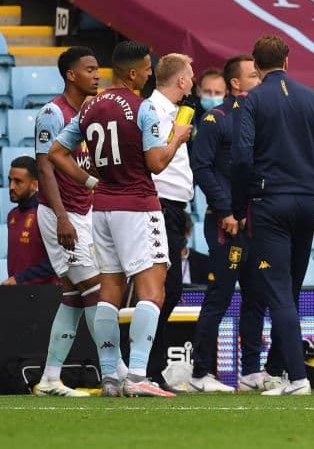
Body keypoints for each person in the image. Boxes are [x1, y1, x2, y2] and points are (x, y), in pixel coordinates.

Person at [49, 40, 192, 398]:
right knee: (152, 289)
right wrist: (176, 138)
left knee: (110, 292)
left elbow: (56, 153)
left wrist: (92, 181)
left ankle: (111, 376)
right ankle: (139, 374)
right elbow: (157, 163)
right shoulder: (142, 109)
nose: (149, 73)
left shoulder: (89, 107)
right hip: (139, 205)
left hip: (103, 208)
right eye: (146, 68)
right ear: (133, 72)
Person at [231, 35, 314, 397]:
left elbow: (242, 157)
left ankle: (297, 379)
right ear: (287, 60)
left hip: (270, 203)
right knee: (290, 290)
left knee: (278, 292)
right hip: (307, 202)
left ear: (255, 65)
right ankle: (276, 372)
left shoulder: (253, 101)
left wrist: (240, 202)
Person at [31, 47, 111, 397]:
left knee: (75, 296)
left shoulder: (92, 113)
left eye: (98, 69)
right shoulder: (53, 113)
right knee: (95, 289)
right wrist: (63, 217)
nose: (97, 75)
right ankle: (116, 371)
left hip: (86, 211)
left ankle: (50, 377)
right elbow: (45, 166)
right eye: (90, 69)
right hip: (59, 214)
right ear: (71, 75)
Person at [188, 54, 268, 393]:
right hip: (226, 224)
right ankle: (200, 375)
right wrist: (225, 210)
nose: (260, 78)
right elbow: (202, 167)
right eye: (253, 75)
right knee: (219, 296)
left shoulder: (263, 119)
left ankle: (250, 372)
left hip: (258, 222)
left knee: (256, 296)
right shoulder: (215, 119)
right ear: (235, 83)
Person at [146, 53, 196, 389]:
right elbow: (156, 159)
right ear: (180, 80)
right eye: (190, 75)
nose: (192, 81)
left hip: (174, 207)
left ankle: (151, 365)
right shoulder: (153, 111)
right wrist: (178, 135)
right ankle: (148, 365)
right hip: (160, 204)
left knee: (168, 290)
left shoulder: (172, 111)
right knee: (165, 290)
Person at [4, 156, 58, 286]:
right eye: (10, 180)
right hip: (18, 294)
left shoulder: (45, 214)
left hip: (45, 295)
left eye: (18, 182)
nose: (11, 186)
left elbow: (56, 261)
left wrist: (20, 279)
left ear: (35, 184)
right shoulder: (12, 215)